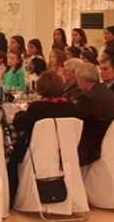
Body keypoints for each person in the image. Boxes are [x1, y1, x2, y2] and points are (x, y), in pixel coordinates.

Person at [9, 71, 78, 204]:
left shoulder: (37, 107)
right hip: (63, 153)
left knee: (12, 157)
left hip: (37, 153)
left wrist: (20, 114)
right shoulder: (70, 106)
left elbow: (22, 125)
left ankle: (12, 197)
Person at [74, 63, 114, 166]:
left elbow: (74, 115)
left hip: (96, 141)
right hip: (111, 136)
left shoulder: (88, 97)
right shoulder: (106, 91)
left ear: (83, 79)